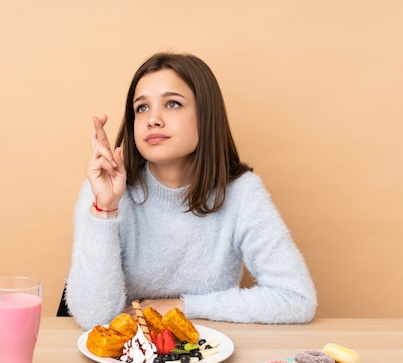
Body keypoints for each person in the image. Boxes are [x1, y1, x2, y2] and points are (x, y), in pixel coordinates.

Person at [64, 52, 317, 330]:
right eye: (142, 108)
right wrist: (106, 209)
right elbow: (93, 318)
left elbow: (297, 298)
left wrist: (185, 306)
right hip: (125, 358)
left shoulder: (242, 193)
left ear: (205, 115)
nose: (153, 120)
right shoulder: (106, 187)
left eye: (172, 104)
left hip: (204, 352)